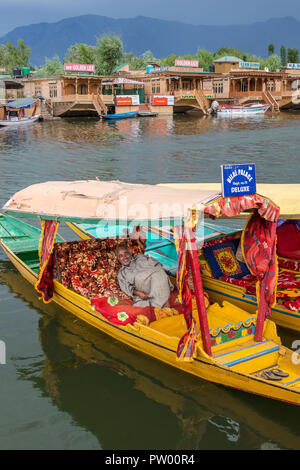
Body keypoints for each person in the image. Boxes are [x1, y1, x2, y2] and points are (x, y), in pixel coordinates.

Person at [116, 243, 173, 308]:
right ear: (118, 258)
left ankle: (164, 299)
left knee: (159, 272)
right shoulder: (121, 273)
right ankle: (161, 301)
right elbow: (126, 287)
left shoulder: (140, 258)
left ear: (130, 253)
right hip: (144, 291)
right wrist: (138, 293)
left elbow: (157, 266)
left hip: (155, 284)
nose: (124, 257)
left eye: (126, 254)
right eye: (121, 256)